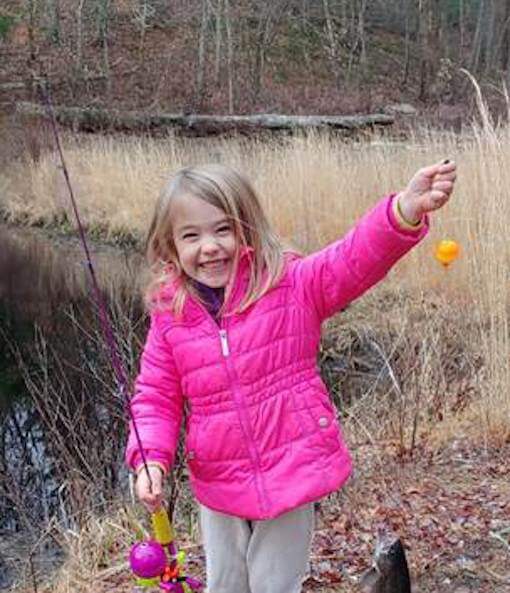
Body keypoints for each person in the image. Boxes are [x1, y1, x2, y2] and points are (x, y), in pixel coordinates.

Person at [125, 159, 457, 593]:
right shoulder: (170, 316)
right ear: (170, 246)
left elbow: (352, 260)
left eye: (223, 230)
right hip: (219, 482)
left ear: (247, 229)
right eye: (192, 235)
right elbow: (154, 397)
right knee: (225, 585)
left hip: (291, 473)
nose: (209, 247)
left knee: (273, 586)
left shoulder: (290, 283)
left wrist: (402, 212)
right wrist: (150, 458)